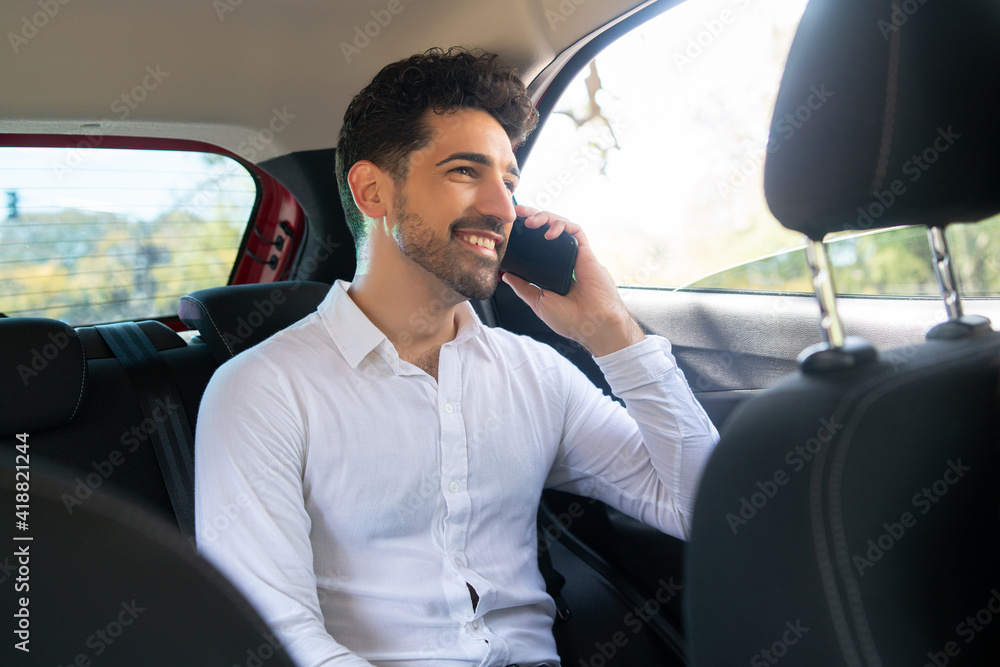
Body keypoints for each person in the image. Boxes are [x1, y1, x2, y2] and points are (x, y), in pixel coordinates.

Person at [195, 47, 719, 667]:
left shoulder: (535, 373)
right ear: (373, 191)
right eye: (466, 172)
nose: (502, 207)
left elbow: (705, 509)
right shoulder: (261, 390)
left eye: (510, 180)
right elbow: (277, 639)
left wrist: (611, 333)